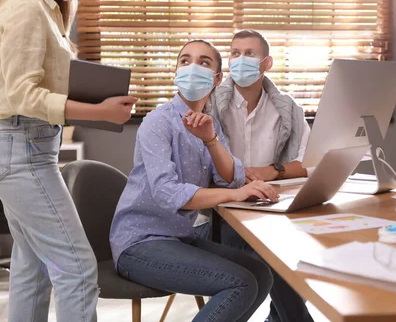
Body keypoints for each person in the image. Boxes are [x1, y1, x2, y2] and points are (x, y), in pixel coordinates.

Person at [0, 0, 136, 321]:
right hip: (21, 150)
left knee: (33, 269)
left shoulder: (46, 9)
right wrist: (100, 112)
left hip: (26, 149)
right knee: (78, 269)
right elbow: (21, 95)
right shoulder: (27, 6)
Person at [110, 39, 279, 322]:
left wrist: (211, 139)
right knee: (242, 283)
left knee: (261, 273)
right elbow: (167, 193)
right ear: (175, 71)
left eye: (204, 62)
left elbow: (230, 179)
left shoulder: (207, 124)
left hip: (179, 238)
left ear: (217, 78)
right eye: (185, 61)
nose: (192, 68)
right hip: (140, 244)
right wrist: (236, 195)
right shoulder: (158, 121)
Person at [211, 30, 314, 322]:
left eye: (250, 53)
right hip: (220, 213)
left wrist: (271, 171)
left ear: (267, 63)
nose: (240, 60)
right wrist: (240, 180)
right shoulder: (209, 103)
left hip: (271, 208)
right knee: (269, 250)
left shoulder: (287, 109)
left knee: (299, 244)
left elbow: (311, 162)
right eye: (234, 53)